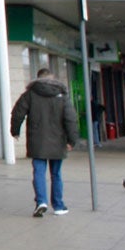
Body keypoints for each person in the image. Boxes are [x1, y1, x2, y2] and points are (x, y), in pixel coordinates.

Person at [10, 66, 77, 216]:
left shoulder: (30, 94)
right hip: (58, 141)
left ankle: (41, 201)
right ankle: (59, 206)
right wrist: (72, 140)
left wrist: (15, 130)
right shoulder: (62, 95)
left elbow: (17, 112)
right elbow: (71, 119)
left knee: (39, 172)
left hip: (37, 140)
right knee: (56, 174)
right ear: (52, 79)